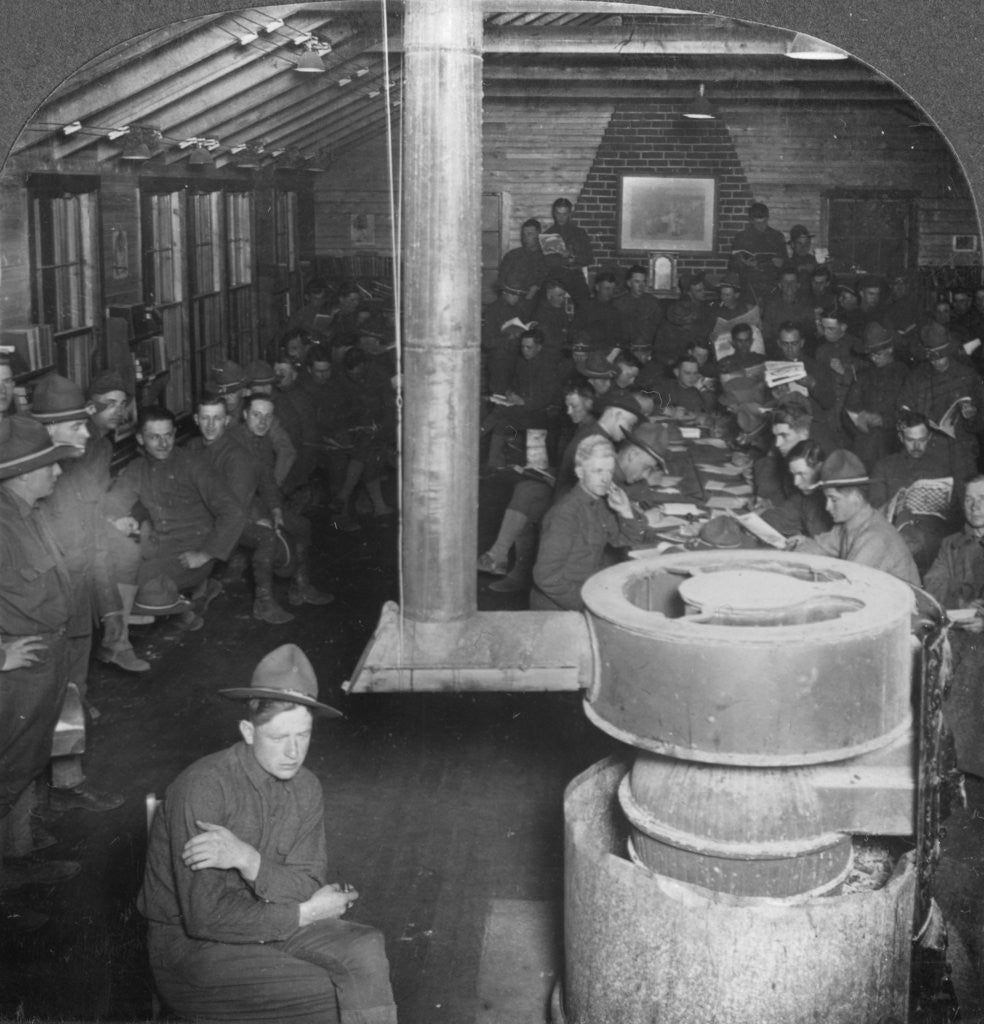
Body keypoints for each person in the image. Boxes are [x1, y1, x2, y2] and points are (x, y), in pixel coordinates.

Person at [139, 644, 398, 1024]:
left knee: (366, 948)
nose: (294, 752)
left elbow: (307, 882)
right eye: (279, 739)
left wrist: (250, 861)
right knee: (335, 990)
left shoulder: (307, 787)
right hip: (193, 951)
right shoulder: (204, 787)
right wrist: (307, 913)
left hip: (272, 922)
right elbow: (205, 919)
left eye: (303, 736)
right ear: (248, 731)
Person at [0, 417, 108, 925]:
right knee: (7, 770)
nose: (58, 475)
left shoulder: (28, 512)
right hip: (16, 673)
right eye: (49, 467)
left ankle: (14, 862)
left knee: (27, 762)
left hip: (46, 660)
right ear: (23, 474)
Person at [190, 394, 333, 625]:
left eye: (268, 416)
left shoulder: (262, 439)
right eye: (257, 415)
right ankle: (265, 601)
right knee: (269, 536)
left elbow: (266, 480)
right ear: (245, 415)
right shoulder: (232, 440)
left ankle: (300, 586)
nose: (263, 422)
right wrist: (257, 517)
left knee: (301, 525)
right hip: (240, 508)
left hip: (257, 502)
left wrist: (276, 509)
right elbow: (229, 495)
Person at [107, 406, 246, 630]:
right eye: (154, 437)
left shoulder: (193, 464)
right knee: (110, 575)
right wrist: (116, 518)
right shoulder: (138, 468)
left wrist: (206, 554)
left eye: (168, 435)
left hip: (191, 551)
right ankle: (182, 606)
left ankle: (184, 603)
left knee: (130, 584)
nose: (163, 444)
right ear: (140, 439)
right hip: (158, 548)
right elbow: (113, 502)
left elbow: (234, 511)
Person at [530, 435, 647, 611]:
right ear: (580, 472)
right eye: (598, 471)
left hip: (588, 589)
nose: (606, 479)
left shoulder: (599, 503)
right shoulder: (565, 516)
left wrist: (625, 511)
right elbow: (546, 577)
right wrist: (588, 605)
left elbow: (627, 541)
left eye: (609, 471)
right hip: (560, 607)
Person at [923, 476, 984, 777]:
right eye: (970, 499)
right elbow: (933, 585)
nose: (976, 506)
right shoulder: (951, 544)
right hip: (957, 629)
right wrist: (963, 605)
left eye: (983, 498)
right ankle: (950, 759)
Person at [789, 449, 921, 585]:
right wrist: (800, 545)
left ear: (856, 497)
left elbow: (847, 585)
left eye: (833, 499)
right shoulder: (849, 526)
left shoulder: (874, 538)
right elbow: (820, 546)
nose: (827, 507)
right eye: (826, 499)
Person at [869, 409, 958, 574]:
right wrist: (893, 505)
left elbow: (955, 517)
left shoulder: (942, 467)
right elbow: (874, 511)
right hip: (898, 540)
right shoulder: (885, 466)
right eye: (910, 440)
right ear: (901, 438)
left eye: (922, 440)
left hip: (935, 545)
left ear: (929, 437)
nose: (917, 446)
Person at [844, 322, 908, 470]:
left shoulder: (903, 374)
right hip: (865, 446)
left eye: (877, 354)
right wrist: (859, 420)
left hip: (893, 444)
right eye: (870, 355)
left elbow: (908, 410)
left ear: (890, 349)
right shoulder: (864, 375)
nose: (873, 359)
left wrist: (884, 420)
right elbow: (848, 410)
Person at [728, 201, 788, 301]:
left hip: (771, 285)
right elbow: (732, 266)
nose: (761, 226)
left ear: (768, 218)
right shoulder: (741, 237)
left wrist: (781, 263)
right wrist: (744, 263)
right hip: (749, 286)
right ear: (751, 221)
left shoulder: (777, 237)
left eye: (764, 223)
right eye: (757, 223)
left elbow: (787, 265)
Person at [541, 197, 594, 303]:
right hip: (555, 276)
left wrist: (572, 256)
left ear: (570, 214)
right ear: (553, 213)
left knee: (586, 304)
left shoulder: (579, 233)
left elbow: (589, 258)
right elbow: (547, 262)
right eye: (558, 213)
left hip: (574, 275)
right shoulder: (548, 234)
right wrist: (564, 260)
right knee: (544, 301)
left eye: (564, 214)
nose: (561, 217)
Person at [497, 218, 548, 302]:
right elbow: (500, 281)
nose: (525, 238)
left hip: (536, 303)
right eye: (523, 234)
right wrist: (507, 295)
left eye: (529, 234)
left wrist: (536, 287)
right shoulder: (512, 255)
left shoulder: (547, 257)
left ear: (538, 235)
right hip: (511, 301)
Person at [614, 264, 663, 349]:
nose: (641, 286)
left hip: (649, 348)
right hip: (625, 349)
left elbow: (660, 330)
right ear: (629, 283)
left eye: (643, 281)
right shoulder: (618, 304)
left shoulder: (653, 303)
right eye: (637, 282)